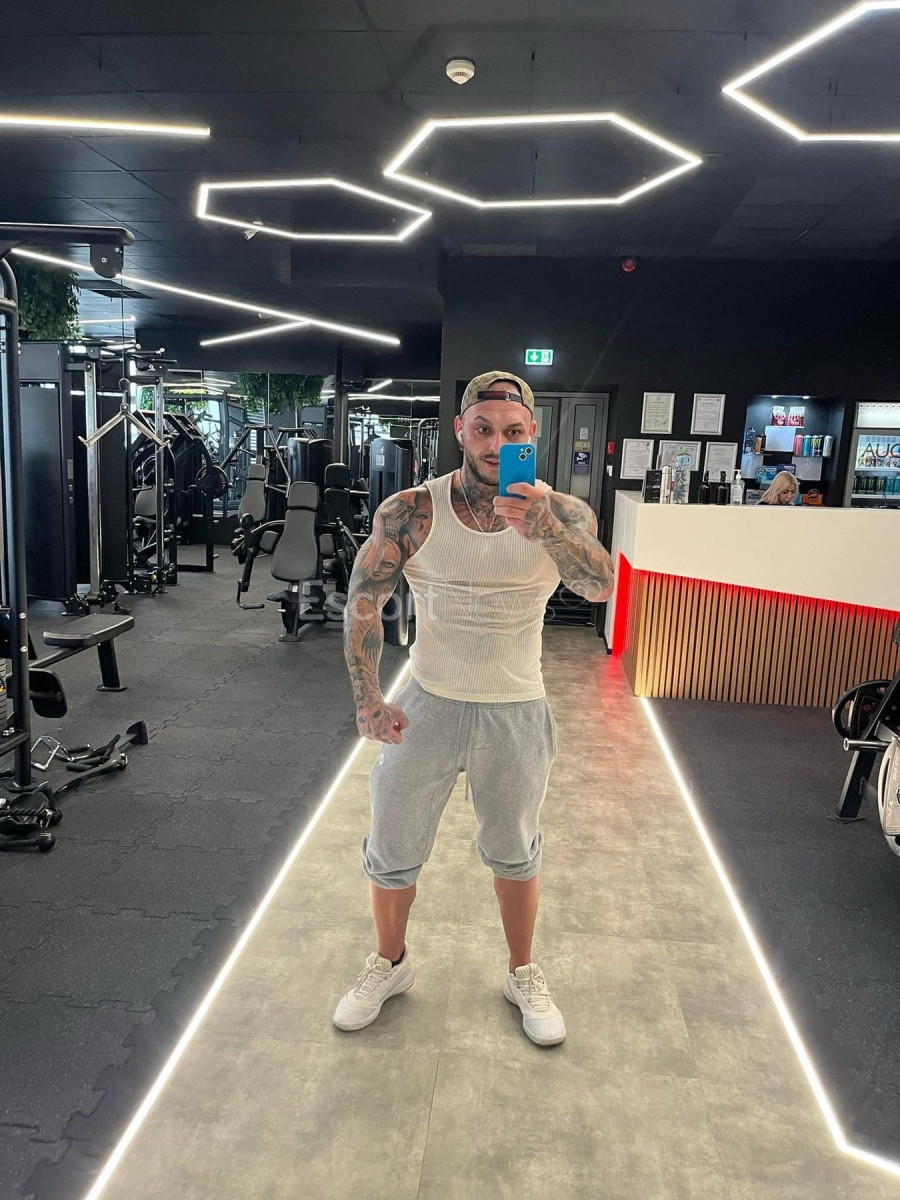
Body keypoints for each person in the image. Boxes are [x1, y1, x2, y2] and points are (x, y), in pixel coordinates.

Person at [334, 369, 615, 1046]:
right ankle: (390, 963)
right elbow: (363, 598)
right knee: (392, 841)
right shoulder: (410, 510)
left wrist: (546, 530)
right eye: (483, 429)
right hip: (426, 702)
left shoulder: (564, 513)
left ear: (532, 434)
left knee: (514, 850)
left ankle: (522, 972)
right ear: (460, 430)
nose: (496, 444)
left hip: (515, 707)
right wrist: (368, 696)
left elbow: (601, 586)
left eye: (512, 432)